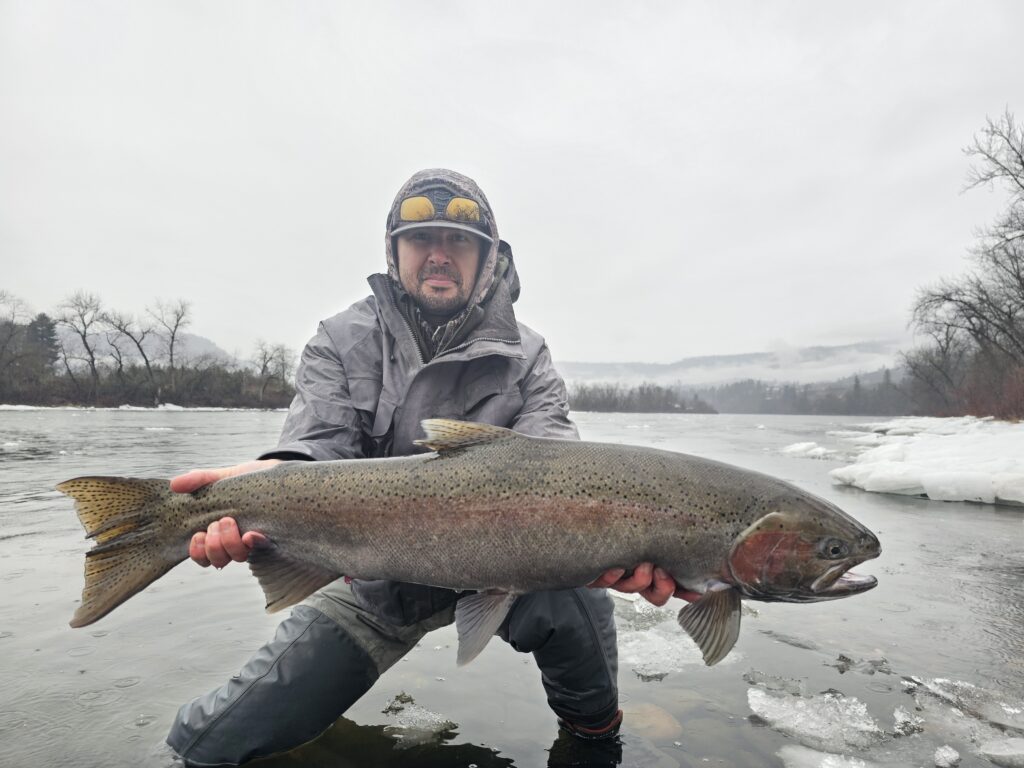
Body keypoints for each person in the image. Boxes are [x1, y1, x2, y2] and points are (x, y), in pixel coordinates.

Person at [165, 169, 685, 766]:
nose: (439, 255)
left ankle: (595, 736)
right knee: (209, 746)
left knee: (576, 593)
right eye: (421, 240)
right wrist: (261, 490)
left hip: (510, 573)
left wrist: (615, 545)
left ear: (489, 258)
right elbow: (314, 449)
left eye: (459, 241)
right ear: (394, 253)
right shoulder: (341, 340)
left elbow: (556, 463)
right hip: (369, 577)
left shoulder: (529, 354)